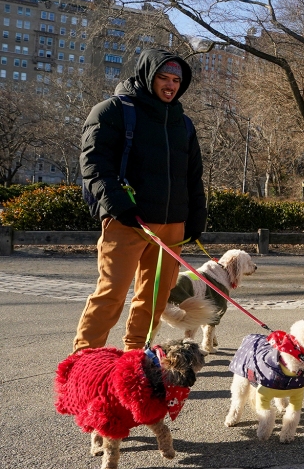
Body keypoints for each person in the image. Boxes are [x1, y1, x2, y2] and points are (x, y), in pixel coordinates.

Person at [75, 49, 206, 352]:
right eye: (164, 77)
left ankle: (136, 357)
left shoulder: (183, 124)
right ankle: (83, 363)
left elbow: (193, 176)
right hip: (127, 222)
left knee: (155, 299)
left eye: (176, 80)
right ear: (148, 76)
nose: (170, 85)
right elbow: (94, 166)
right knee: (111, 295)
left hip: (172, 226)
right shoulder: (112, 111)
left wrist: (196, 217)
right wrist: (121, 207)